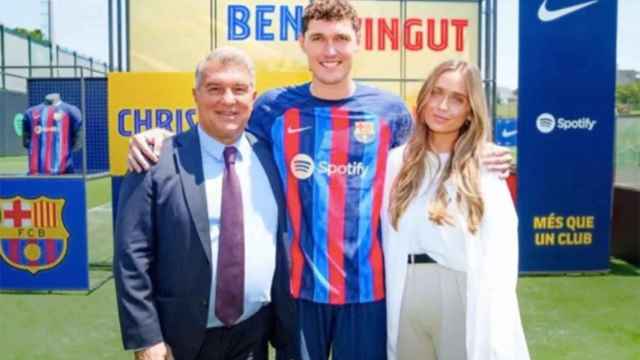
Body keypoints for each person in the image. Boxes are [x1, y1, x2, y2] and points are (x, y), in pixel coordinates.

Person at [125, 2, 512, 359]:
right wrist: (160, 136)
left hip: (369, 297)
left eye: (341, 38)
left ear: (358, 44)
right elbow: (224, 127)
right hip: (298, 297)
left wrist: (477, 152)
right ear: (302, 43)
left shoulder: (390, 113)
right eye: (319, 39)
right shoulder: (272, 109)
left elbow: (431, 154)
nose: (330, 50)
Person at [113, 47, 295, 360]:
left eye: (239, 90)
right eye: (215, 89)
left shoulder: (272, 157)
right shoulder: (154, 161)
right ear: (195, 95)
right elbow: (132, 256)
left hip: (254, 336)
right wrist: (146, 338)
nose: (228, 100)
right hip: (178, 341)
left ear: (253, 97)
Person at [381, 60, 530, 360]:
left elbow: (501, 252)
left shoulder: (485, 167)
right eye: (437, 93)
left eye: (457, 99)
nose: (443, 106)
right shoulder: (397, 162)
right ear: (424, 96)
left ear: (469, 112)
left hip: (460, 296)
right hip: (402, 293)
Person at [22, 93, 82, 175]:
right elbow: (26, 140)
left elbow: (78, 137)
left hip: (64, 170)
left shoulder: (71, 111)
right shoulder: (30, 112)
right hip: (36, 171)